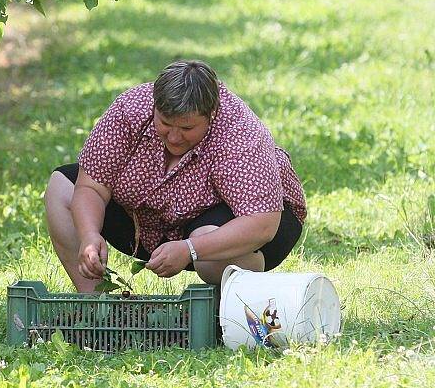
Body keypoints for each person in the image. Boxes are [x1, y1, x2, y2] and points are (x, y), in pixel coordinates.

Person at [44, 60, 306, 291]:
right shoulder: (129, 110)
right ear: (155, 105)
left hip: (254, 227)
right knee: (62, 186)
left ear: (211, 114)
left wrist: (190, 250)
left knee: (206, 247)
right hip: (155, 222)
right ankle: (98, 306)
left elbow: (261, 224)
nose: (174, 136)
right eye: (166, 124)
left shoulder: (239, 134)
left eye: (187, 127)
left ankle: (237, 304)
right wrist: (89, 235)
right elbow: (92, 187)